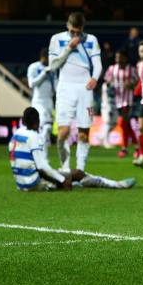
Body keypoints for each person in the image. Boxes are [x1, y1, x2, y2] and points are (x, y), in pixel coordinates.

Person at [9, 107, 136, 191]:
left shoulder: (16, 135)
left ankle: (79, 182)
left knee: (70, 177)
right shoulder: (34, 136)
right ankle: (117, 185)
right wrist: (62, 180)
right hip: (34, 183)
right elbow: (42, 166)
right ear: (36, 123)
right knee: (76, 174)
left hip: (20, 184)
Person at [47, 12, 102, 172]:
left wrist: (94, 78)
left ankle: (79, 170)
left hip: (85, 89)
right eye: (72, 31)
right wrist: (69, 47)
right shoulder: (56, 39)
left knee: (84, 133)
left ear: (83, 28)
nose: (75, 35)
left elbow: (97, 64)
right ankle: (65, 168)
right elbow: (53, 66)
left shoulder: (91, 40)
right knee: (63, 132)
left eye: (78, 32)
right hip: (65, 87)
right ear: (67, 26)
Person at [104, 49, 139, 158]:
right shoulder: (112, 69)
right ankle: (137, 146)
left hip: (128, 100)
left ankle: (124, 148)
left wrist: (132, 84)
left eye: (120, 57)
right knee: (125, 124)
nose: (118, 59)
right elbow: (107, 80)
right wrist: (109, 84)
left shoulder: (131, 69)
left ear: (125, 58)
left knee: (122, 122)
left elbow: (138, 81)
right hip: (117, 100)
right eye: (116, 57)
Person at [27, 47, 57, 161]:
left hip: (49, 102)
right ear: (44, 57)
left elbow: (56, 87)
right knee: (45, 128)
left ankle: (42, 156)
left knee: (46, 130)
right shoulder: (34, 67)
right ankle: (40, 156)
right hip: (38, 101)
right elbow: (31, 84)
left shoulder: (53, 70)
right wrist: (44, 73)